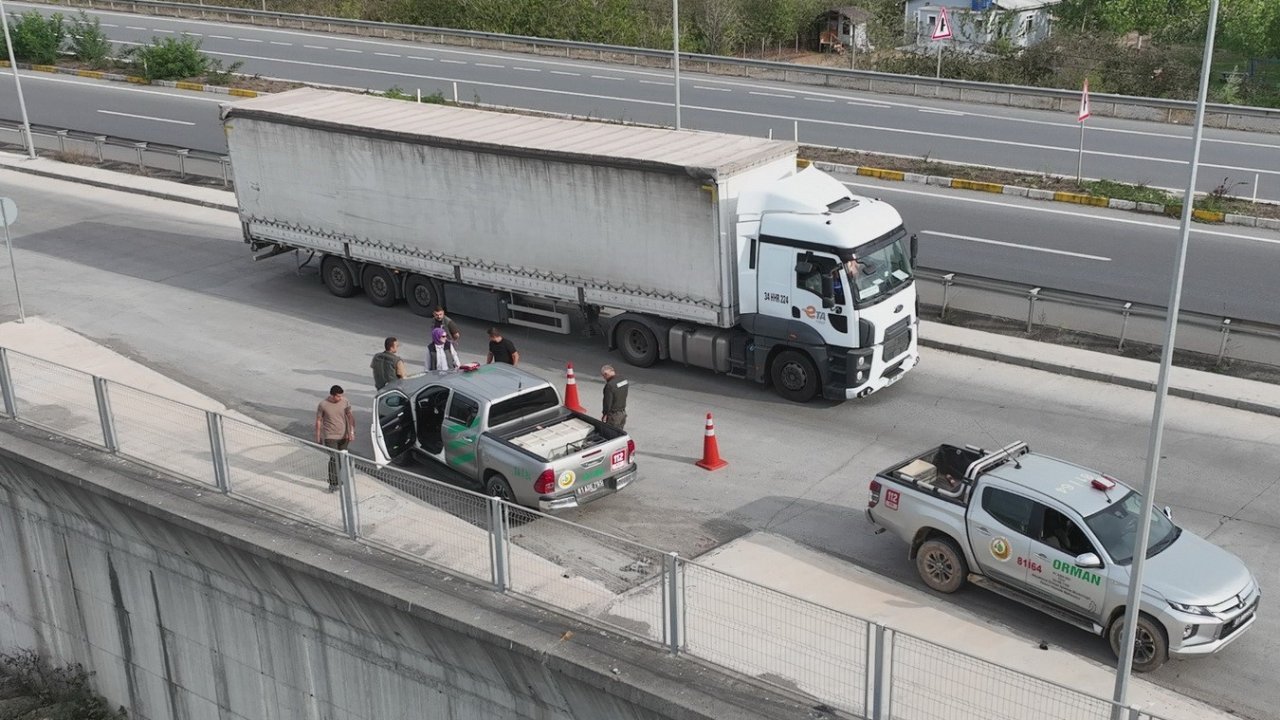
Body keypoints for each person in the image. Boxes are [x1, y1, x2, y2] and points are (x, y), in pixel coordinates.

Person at [315, 385, 355, 492]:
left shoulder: (345, 401)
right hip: (330, 437)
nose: (340, 398)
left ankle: (336, 479)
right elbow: (319, 420)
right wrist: (318, 436)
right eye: (338, 396)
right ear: (332, 395)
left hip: (344, 436)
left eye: (341, 396)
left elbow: (350, 416)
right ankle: (333, 483)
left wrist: (351, 431)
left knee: (341, 459)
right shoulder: (323, 405)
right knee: (334, 459)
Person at [600, 364, 628, 430]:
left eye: (603, 376)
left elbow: (607, 402)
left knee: (611, 434)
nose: (604, 378)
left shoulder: (609, 386)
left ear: (606, 374)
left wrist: (605, 414)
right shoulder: (624, 380)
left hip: (614, 416)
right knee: (619, 433)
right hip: (623, 413)